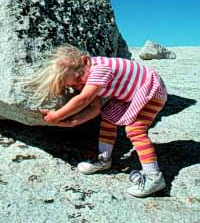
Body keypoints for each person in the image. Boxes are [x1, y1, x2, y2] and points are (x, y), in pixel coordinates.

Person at [24, 44, 167, 197]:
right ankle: (104, 159)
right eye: (74, 86)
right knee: (107, 117)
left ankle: (153, 176)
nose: (80, 85)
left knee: (135, 129)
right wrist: (67, 123)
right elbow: (94, 109)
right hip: (130, 96)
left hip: (151, 90)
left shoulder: (100, 69)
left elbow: (83, 99)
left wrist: (57, 115)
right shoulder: (90, 75)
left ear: (86, 61)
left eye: (79, 78)